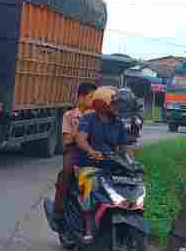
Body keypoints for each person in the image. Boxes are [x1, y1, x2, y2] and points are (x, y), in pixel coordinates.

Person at [71, 86, 132, 241]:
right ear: (102, 104)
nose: (117, 107)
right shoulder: (88, 119)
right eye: (114, 104)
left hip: (109, 166)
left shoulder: (118, 123)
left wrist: (131, 163)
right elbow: (80, 139)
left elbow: (124, 148)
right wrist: (91, 151)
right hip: (88, 165)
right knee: (91, 186)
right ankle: (88, 227)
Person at [47, 80, 98, 222]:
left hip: (92, 150)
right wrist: (81, 125)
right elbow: (67, 140)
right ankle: (58, 211)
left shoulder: (97, 115)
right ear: (81, 98)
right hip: (74, 150)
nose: (93, 101)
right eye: (90, 98)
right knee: (67, 172)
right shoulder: (69, 116)